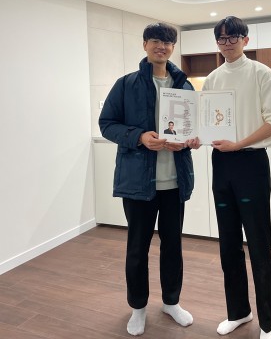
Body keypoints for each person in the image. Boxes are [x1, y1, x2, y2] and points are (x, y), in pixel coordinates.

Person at [99, 22, 199, 336]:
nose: (161, 46)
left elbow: (192, 128)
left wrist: (192, 140)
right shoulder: (126, 84)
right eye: (155, 40)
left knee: (173, 247)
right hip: (138, 184)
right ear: (145, 45)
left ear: (173, 48)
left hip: (174, 182)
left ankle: (171, 302)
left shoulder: (184, 86)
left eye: (167, 42)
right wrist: (139, 137)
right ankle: (138, 307)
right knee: (137, 248)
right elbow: (107, 124)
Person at [202, 16, 271, 339]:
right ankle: (238, 312)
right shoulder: (212, 78)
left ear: (245, 40)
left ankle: (267, 323)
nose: (227, 43)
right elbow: (207, 123)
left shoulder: (261, 72)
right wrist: (195, 137)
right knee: (228, 244)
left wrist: (238, 144)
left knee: (259, 243)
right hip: (221, 164)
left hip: (251, 163)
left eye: (233, 37)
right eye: (221, 39)